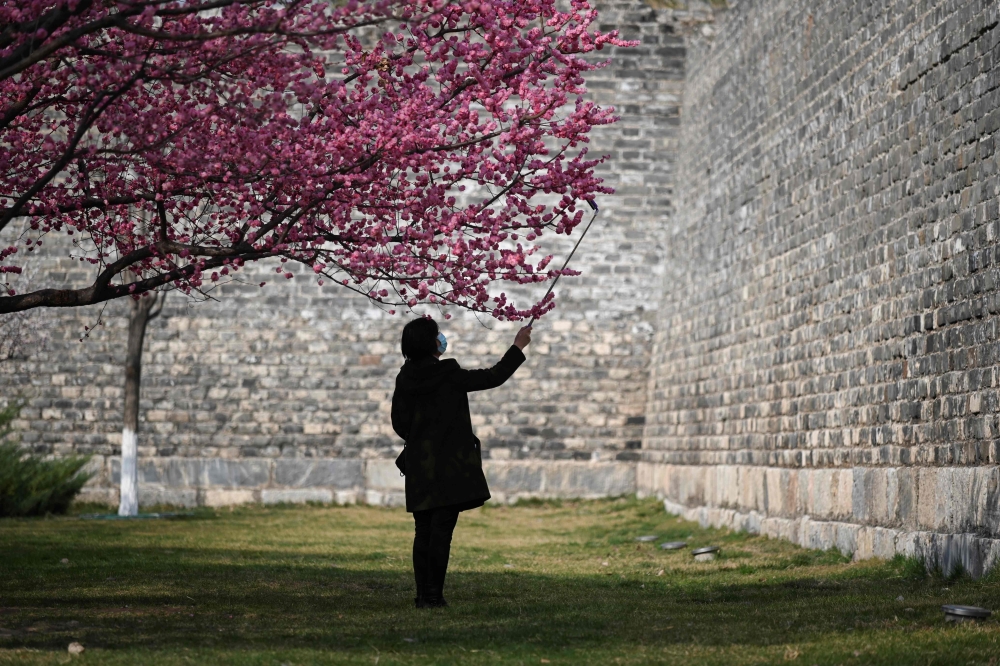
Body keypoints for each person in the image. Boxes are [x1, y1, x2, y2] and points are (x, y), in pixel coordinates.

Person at [391, 316, 532, 609]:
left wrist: (421, 437)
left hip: (420, 464)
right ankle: (433, 595)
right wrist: (517, 346)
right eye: (437, 335)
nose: (441, 338)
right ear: (431, 343)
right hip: (449, 466)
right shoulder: (449, 373)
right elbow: (493, 376)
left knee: (423, 530)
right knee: (442, 531)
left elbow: (399, 423)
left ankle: (422, 596)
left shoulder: (404, 378)